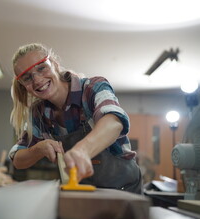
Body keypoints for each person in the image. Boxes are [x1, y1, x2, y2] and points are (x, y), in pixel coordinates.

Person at [8, 43, 142, 194]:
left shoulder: (93, 88)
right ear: (22, 84)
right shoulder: (38, 113)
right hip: (82, 193)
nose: (37, 80)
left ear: (54, 63)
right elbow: (17, 159)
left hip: (124, 190)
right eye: (27, 78)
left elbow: (113, 122)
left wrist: (82, 150)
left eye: (41, 68)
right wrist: (38, 149)